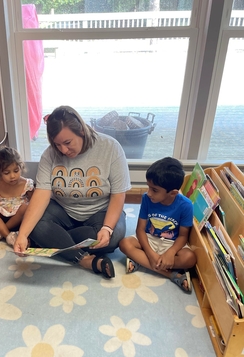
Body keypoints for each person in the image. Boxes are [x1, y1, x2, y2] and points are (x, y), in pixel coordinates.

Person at [13, 105, 131, 278]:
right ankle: (84, 260)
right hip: (63, 211)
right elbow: (42, 194)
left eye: (67, 143)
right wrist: (22, 235)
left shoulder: (111, 148)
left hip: (100, 211)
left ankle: (54, 241)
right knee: (34, 225)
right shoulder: (49, 155)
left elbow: (118, 195)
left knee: (112, 239)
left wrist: (106, 228)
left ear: (82, 131)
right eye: (57, 144)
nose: (62, 150)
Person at [119, 157, 197, 293]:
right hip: (149, 238)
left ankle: (140, 261)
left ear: (172, 193)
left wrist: (171, 252)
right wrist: (150, 253)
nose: (148, 193)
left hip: (172, 243)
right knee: (124, 244)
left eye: (154, 190)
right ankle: (172, 274)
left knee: (189, 259)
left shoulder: (186, 205)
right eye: (149, 187)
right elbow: (140, 230)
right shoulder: (146, 198)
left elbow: (183, 236)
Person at [0, 147, 34, 246]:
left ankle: (1, 232)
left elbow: (35, 203)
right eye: (7, 173)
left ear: (21, 167)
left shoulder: (27, 184)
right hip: (0, 218)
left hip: (19, 219)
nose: (12, 176)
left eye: (16, 171)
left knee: (27, 207)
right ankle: (8, 235)